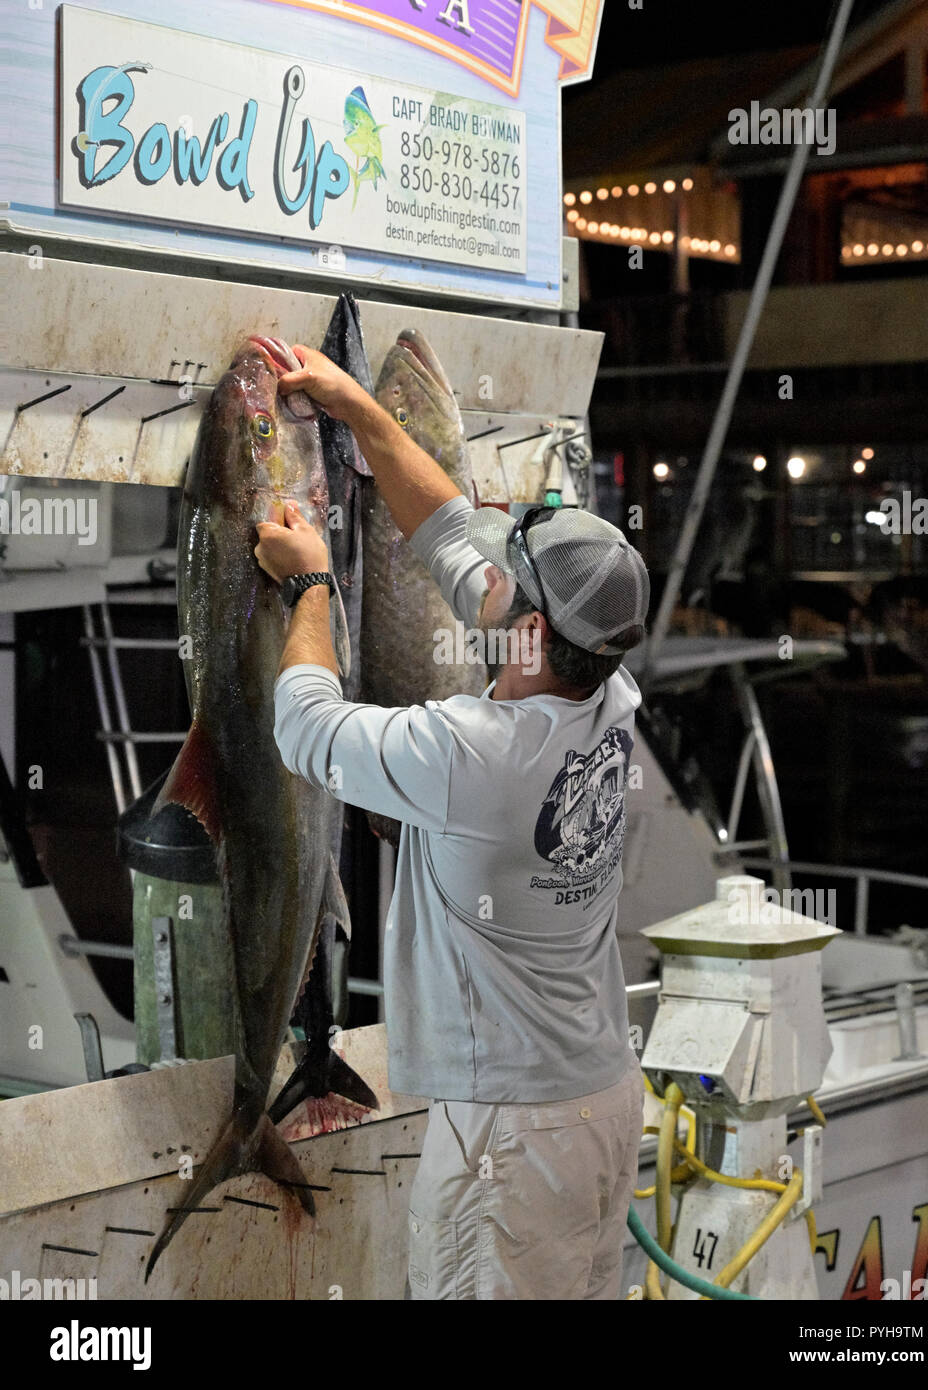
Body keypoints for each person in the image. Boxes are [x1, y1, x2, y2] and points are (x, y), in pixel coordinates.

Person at [254, 344, 651, 1301]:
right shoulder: (610, 695)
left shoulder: (477, 756)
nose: (491, 574)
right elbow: (446, 534)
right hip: (598, 1097)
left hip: (512, 1137)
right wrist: (358, 411)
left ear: (526, 631)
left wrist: (312, 585)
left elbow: (306, 728)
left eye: (510, 581)